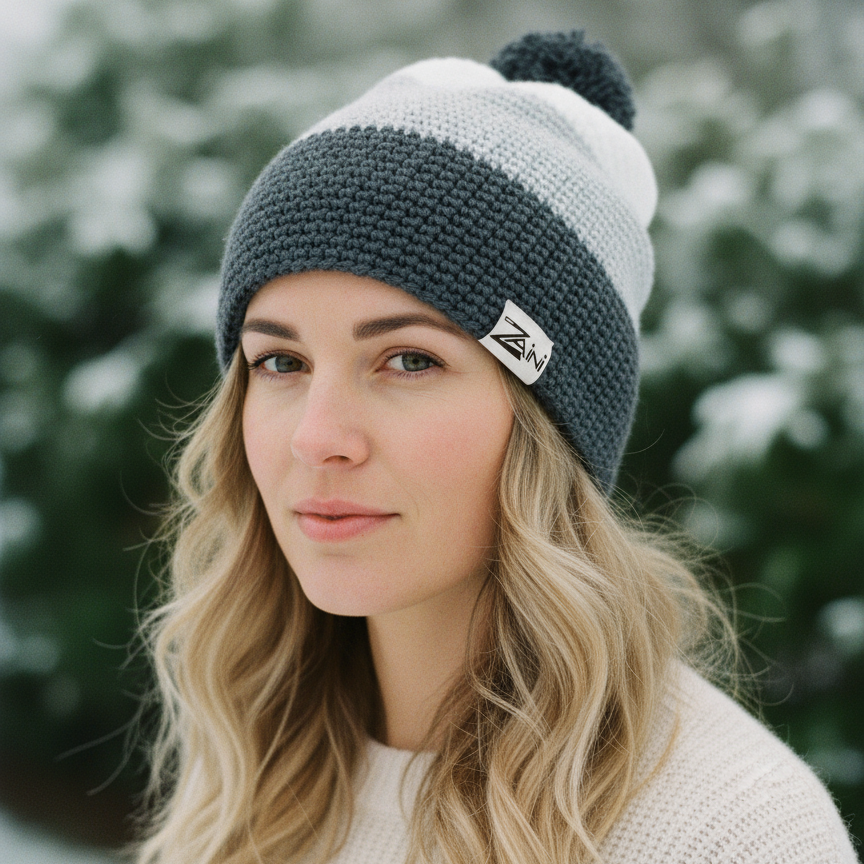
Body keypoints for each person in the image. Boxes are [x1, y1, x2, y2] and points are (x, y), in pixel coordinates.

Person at [130, 30, 859, 864]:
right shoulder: (253, 752)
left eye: (409, 360)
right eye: (280, 361)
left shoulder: (731, 831)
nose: (316, 436)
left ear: (550, 420)